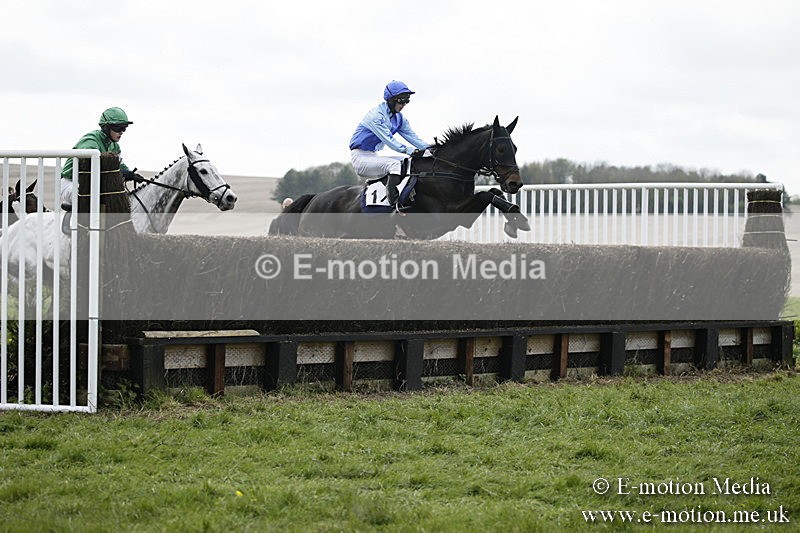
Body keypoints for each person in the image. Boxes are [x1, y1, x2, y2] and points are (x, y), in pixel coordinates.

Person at [349, 81, 431, 209]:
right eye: (401, 100)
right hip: (360, 158)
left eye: (407, 101)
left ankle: (409, 195)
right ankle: (395, 203)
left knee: (408, 161)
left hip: (373, 156)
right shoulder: (376, 116)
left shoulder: (399, 118)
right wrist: (411, 151)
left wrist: (431, 149)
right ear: (391, 99)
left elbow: (413, 137)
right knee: (395, 165)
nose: (404, 104)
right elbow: (391, 142)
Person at [60, 107, 138, 208]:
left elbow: (120, 166)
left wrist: (131, 174)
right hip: (71, 183)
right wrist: (120, 174)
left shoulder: (114, 146)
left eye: (124, 128)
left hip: (91, 186)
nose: (122, 132)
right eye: (118, 128)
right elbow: (90, 168)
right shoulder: (90, 142)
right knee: (97, 200)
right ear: (106, 127)